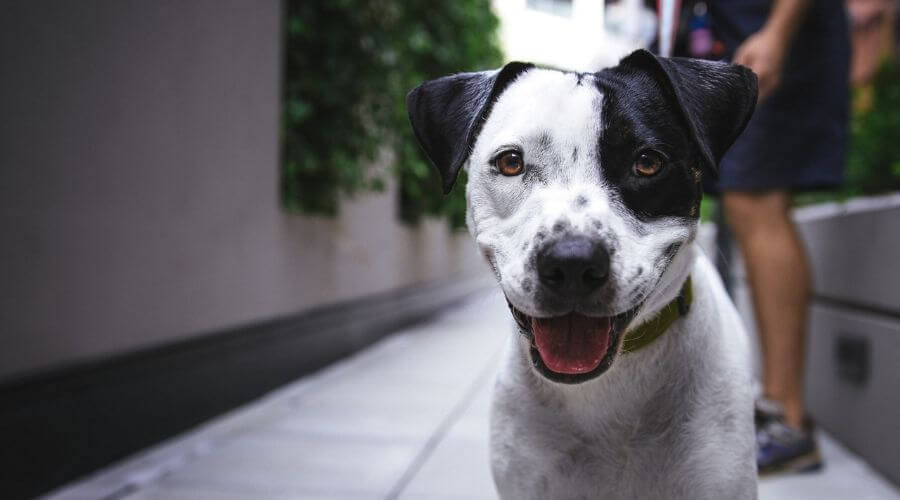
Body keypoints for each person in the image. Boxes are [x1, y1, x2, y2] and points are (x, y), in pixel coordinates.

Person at [705, 0, 851, 475]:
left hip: (770, 38)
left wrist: (778, 33)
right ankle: (776, 412)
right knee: (747, 202)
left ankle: (787, 421)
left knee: (757, 200)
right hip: (748, 36)